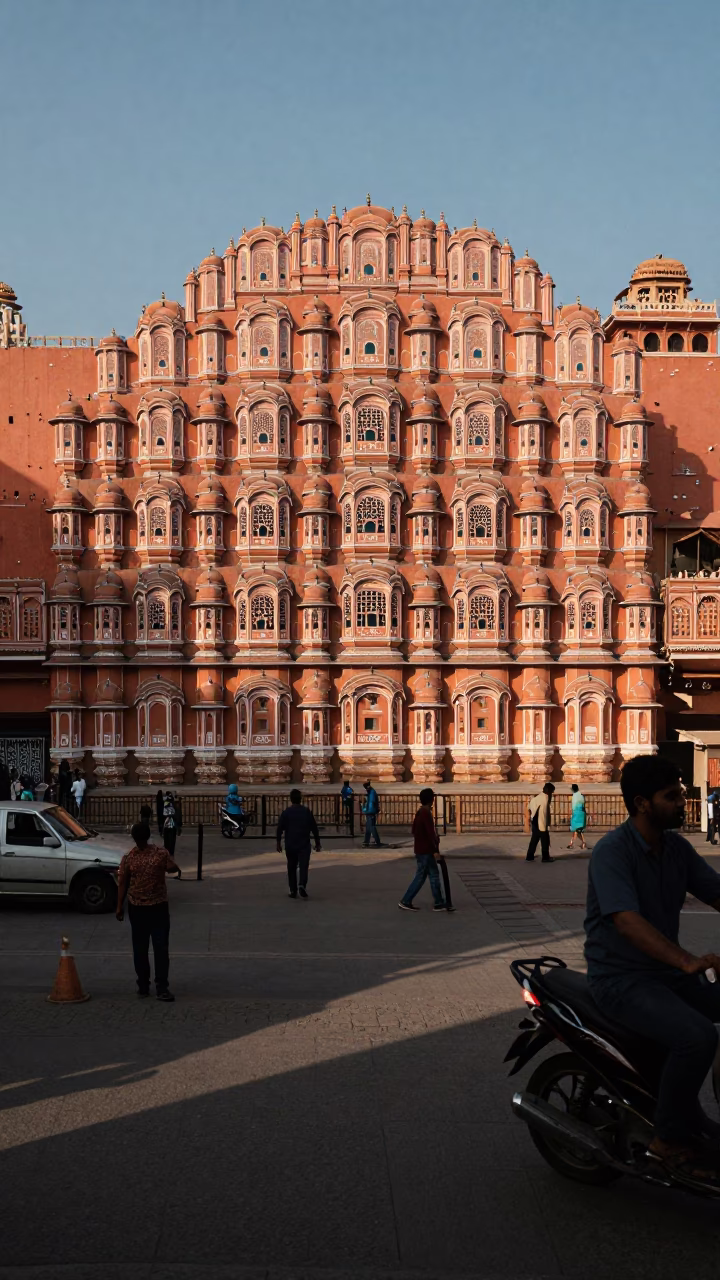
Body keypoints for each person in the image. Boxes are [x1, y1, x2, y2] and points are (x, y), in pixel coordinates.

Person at [585, 754, 720, 1181]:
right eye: (672, 796)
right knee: (697, 1037)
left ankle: (691, 1114)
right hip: (621, 979)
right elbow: (627, 921)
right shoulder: (613, 852)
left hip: (667, 975)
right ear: (642, 803)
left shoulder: (676, 848)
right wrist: (686, 960)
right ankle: (667, 1140)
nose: (682, 802)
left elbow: (716, 891)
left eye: (681, 793)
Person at [116, 821, 179, 1001]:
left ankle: (143, 986)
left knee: (140, 948)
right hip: (158, 907)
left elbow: (123, 883)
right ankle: (162, 988)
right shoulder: (160, 854)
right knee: (161, 948)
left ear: (134, 838)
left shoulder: (129, 857)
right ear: (149, 835)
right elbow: (172, 868)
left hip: (137, 908)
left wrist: (119, 907)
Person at [398, 788, 451, 912]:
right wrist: (435, 850)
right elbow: (430, 834)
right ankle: (406, 900)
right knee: (423, 876)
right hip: (426, 850)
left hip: (421, 849)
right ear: (431, 799)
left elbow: (415, 831)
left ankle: (438, 902)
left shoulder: (420, 812)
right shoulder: (426, 813)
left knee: (431, 875)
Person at [276, 789, 321, 899]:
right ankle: (302, 884)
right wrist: (317, 843)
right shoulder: (306, 812)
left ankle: (293, 890)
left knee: (291, 867)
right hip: (304, 844)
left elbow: (279, 828)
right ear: (300, 799)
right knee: (303, 866)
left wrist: (278, 843)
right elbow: (314, 828)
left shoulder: (286, 812)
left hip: (290, 844)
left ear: (291, 799)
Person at [526, 783, 555, 862]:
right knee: (545, 841)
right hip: (541, 823)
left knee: (534, 840)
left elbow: (529, 807)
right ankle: (545, 857)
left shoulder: (537, 797)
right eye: (552, 792)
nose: (552, 794)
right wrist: (545, 826)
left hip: (534, 821)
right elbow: (543, 814)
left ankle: (529, 856)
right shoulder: (545, 799)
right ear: (548, 791)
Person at [161, 792, 182, 859]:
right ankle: (171, 853)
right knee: (172, 841)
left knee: (167, 841)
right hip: (172, 826)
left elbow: (162, 816)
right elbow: (178, 817)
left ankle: (168, 852)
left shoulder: (164, 806)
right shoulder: (175, 807)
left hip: (167, 826)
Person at [568, 783, 588, 850]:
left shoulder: (574, 796)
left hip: (576, 814)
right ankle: (572, 843)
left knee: (576, 829)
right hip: (582, 813)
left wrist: (571, 814)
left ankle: (576, 843)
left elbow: (573, 807)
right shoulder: (581, 796)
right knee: (578, 830)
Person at [362, 780, 382, 848]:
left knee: (372, 827)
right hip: (369, 812)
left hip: (371, 812)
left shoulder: (372, 792)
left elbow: (371, 803)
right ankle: (366, 841)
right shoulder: (370, 792)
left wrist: (364, 806)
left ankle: (377, 841)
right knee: (368, 828)